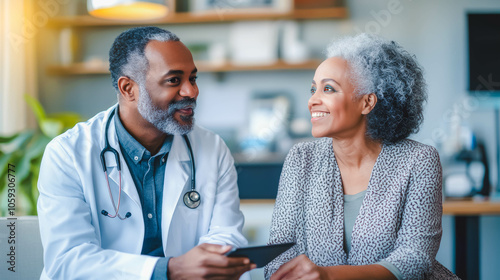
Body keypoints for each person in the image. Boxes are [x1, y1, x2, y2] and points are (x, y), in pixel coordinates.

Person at [37, 27, 255, 280]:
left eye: (192, 79)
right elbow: (68, 260)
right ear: (128, 88)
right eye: (174, 80)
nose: (191, 92)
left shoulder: (212, 148)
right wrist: (169, 270)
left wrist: (210, 263)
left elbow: (225, 236)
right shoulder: (67, 154)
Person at [265, 34, 459, 280]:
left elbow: (415, 258)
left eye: (328, 89)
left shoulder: (418, 160)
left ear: (367, 102)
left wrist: (327, 276)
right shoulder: (301, 159)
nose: (313, 100)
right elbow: (278, 254)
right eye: (313, 89)